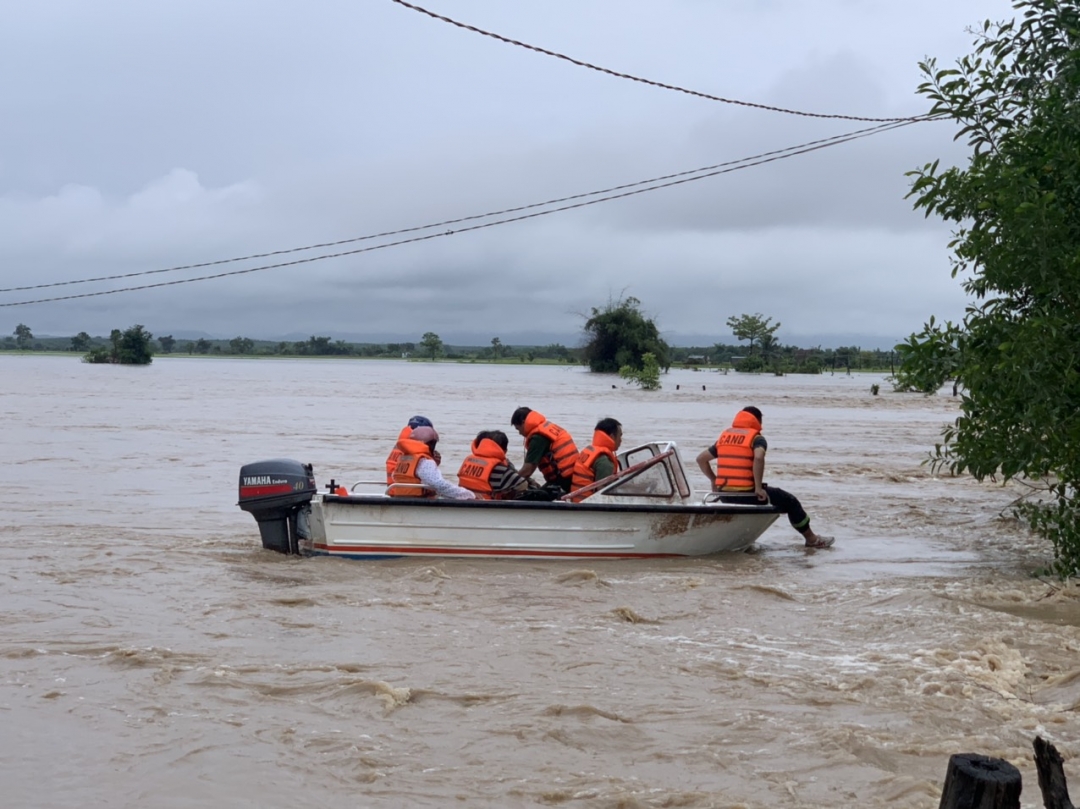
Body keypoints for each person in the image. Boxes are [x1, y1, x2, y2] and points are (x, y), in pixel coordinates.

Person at [695, 406, 834, 548]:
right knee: (790, 502)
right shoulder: (756, 438)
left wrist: (714, 480)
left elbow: (701, 459)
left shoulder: (724, 438)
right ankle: (812, 539)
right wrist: (758, 488)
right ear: (758, 421)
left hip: (724, 495)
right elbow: (759, 457)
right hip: (747, 495)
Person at [389, 426, 475, 500]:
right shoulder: (425, 461)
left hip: (402, 499)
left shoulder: (403, 459)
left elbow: (397, 476)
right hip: (419, 502)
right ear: (431, 444)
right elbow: (438, 484)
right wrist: (467, 494)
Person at [510, 406, 579, 494]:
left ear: (523, 423)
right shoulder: (548, 427)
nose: (520, 433)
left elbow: (528, 470)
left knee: (530, 496)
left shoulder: (538, 438)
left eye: (518, 429)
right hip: (574, 476)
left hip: (564, 482)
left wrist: (510, 485)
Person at [457, 430, 532, 500]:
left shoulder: (468, 460)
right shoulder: (500, 469)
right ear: (504, 451)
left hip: (464, 503)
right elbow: (522, 484)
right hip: (487, 507)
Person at [569, 418, 623, 501]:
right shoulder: (605, 462)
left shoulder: (589, 451)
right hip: (587, 507)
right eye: (620, 436)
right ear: (612, 437)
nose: (621, 440)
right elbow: (602, 494)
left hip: (577, 502)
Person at [385, 415, 441, 485]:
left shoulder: (401, 445)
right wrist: (433, 461)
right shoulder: (412, 447)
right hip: (409, 491)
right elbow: (423, 470)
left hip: (394, 488)